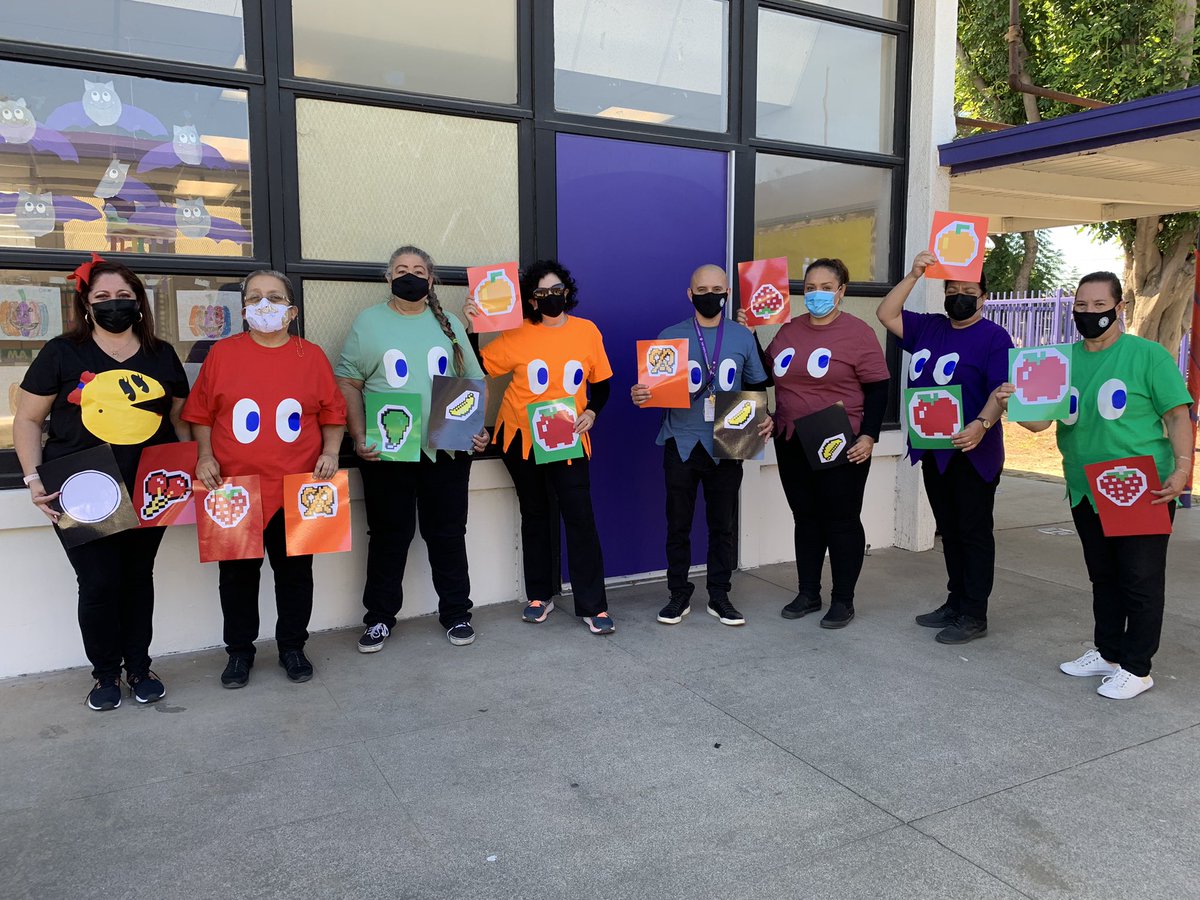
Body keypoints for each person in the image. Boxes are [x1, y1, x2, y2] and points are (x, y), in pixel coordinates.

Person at [997, 272, 1192, 699]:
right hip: (1085, 486)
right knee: (1103, 576)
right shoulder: (1059, 359)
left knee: (1139, 578)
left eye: (1099, 306)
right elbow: (1038, 423)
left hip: (1138, 484)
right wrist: (1008, 400)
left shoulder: (1148, 356)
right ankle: (1108, 652)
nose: (1089, 314)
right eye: (1081, 307)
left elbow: (1179, 415)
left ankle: (1138, 668)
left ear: (1119, 308)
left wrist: (1181, 470)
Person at [14, 255, 190, 710]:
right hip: (83, 486)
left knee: (137, 578)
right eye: (103, 297)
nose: (115, 305)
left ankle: (139, 667)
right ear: (86, 305)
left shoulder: (161, 353)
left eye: (124, 297)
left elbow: (179, 418)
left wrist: (188, 467)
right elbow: (29, 419)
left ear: (139, 303)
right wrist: (34, 479)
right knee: (97, 583)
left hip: (150, 484)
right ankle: (105, 675)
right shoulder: (62, 352)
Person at [184, 270, 346, 688]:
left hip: (298, 486)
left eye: (274, 298)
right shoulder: (222, 354)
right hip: (233, 487)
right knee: (237, 579)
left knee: (295, 575)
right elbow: (201, 413)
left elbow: (333, 413)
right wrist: (204, 454)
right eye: (254, 297)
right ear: (243, 309)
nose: (264, 304)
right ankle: (239, 653)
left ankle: (293, 646)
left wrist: (330, 452)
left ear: (291, 312)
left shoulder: (310, 356)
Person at [337, 246, 488, 654]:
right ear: (388, 278)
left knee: (448, 534)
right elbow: (348, 380)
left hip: (447, 450)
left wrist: (478, 432)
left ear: (431, 280)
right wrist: (357, 436)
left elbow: (472, 379)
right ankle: (380, 619)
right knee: (389, 536)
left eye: (418, 270)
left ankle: (456, 613)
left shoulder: (450, 322)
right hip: (388, 454)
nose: (410, 275)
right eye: (401, 270)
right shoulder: (369, 322)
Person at [466, 259, 615, 634]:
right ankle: (539, 594)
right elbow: (478, 368)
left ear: (567, 291)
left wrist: (593, 413)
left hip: (568, 438)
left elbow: (603, 384)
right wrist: (470, 330)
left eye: (557, 290)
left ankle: (593, 605)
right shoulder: (517, 334)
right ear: (531, 300)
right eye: (541, 293)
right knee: (535, 516)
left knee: (580, 518)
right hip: (521, 439)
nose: (551, 298)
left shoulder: (587, 331)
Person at [746, 258, 890, 628]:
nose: (817, 294)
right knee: (805, 519)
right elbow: (764, 374)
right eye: (810, 288)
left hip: (840, 440)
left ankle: (843, 599)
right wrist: (750, 334)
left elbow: (878, 388)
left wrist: (870, 436)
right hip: (791, 438)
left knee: (840, 521)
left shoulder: (858, 333)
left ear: (841, 291)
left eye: (826, 287)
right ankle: (808, 592)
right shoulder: (790, 330)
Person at [877, 251, 1012, 644]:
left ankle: (974, 613)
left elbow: (1000, 391)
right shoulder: (929, 328)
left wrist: (981, 425)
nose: (959, 296)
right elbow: (886, 313)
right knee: (949, 531)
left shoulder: (994, 337)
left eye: (968, 291)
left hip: (973, 451)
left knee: (973, 532)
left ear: (983, 297)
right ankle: (955, 601)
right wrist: (915, 273)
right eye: (952, 290)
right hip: (933, 448)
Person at [632, 264, 770, 627]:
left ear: (727, 292)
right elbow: (653, 390)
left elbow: (757, 384)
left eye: (717, 288)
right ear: (689, 294)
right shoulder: (670, 336)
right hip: (681, 440)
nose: (711, 295)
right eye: (702, 289)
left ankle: (719, 595)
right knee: (677, 524)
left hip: (731, 436)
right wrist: (641, 394)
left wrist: (765, 416)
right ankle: (678, 593)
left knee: (722, 524)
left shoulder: (741, 336)